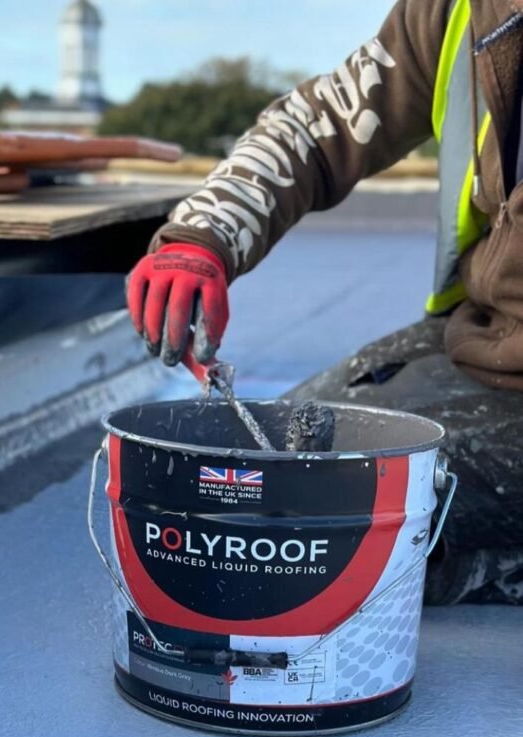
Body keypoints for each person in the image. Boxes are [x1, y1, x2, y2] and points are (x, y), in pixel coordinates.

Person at [126, 0, 523, 606]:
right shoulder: (462, 12)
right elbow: (315, 126)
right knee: (252, 479)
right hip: (486, 338)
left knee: (316, 544)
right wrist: (203, 238)